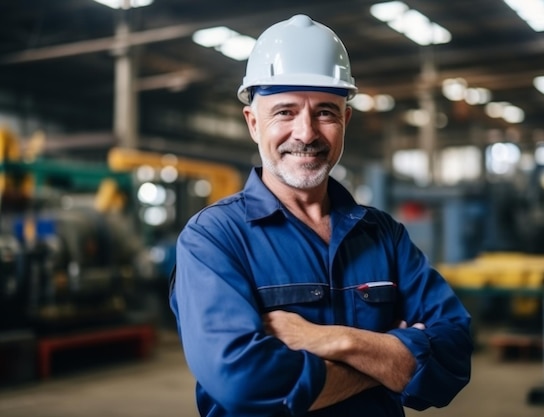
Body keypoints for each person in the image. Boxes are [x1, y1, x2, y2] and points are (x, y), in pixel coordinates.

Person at [170, 14, 472, 417]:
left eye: (326, 112)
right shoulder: (214, 239)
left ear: (345, 120)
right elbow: (244, 383)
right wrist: (387, 359)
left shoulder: (383, 235)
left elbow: (453, 356)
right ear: (253, 123)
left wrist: (332, 340)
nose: (307, 133)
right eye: (285, 112)